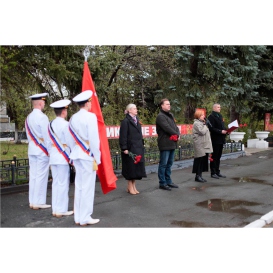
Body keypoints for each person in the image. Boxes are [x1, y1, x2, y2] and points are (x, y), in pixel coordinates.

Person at [68, 91, 101, 226]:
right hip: (87, 155)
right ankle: (85, 217)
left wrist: (74, 150)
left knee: (79, 186)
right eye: (90, 102)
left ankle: (78, 217)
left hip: (76, 153)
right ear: (87, 103)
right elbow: (94, 139)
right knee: (87, 187)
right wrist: (97, 157)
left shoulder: (73, 118)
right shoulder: (91, 117)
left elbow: (70, 139)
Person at [48, 99, 74, 218]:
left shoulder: (50, 124)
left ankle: (55, 208)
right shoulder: (66, 124)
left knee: (56, 183)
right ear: (64, 111)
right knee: (63, 183)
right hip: (63, 156)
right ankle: (61, 210)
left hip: (53, 156)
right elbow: (70, 141)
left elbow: (48, 142)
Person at [25, 92, 51, 210]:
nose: (44, 104)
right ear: (40, 103)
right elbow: (47, 137)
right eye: (44, 102)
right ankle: (39, 202)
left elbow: (29, 136)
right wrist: (49, 150)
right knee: (41, 175)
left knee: (33, 175)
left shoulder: (28, 117)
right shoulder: (43, 117)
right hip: (42, 150)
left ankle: (32, 201)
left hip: (32, 149)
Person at [119, 103, 147, 195]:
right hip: (130, 148)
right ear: (129, 110)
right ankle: (130, 186)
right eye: (134, 109)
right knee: (130, 167)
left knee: (135, 168)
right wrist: (124, 148)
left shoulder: (136, 120)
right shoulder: (125, 121)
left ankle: (133, 186)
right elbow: (123, 136)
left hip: (138, 147)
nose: (136, 110)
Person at [156, 98, 180, 190]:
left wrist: (178, 133)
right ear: (162, 106)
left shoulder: (170, 115)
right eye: (167, 104)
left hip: (172, 142)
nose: (169, 105)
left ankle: (168, 181)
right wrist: (176, 134)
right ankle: (162, 183)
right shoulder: (160, 116)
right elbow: (167, 128)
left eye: (169, 104)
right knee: (164, 163)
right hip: (165, 142)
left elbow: (175, 127)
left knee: (169, 163)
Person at [192, 109, 213, 182]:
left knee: (202, 160)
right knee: (199, 160)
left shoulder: (202, 123)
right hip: (199, 144)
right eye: (202, 115)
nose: (204, 116)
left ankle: (200, 175)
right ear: (198, 116)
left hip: (204, 144)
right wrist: (206, 125)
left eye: (204, 115)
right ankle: (197, 176)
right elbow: (202, 132)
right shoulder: (197, 123)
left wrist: (205, 124)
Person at [207, 103, 228, 179]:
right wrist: (220, 131)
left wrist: (227, 130)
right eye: (218, 107)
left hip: (221, 139)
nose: (220, 108)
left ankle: (217, 171)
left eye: (220, 107)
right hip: (215, 139)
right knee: (214, 156)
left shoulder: (220, 116)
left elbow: (222, 126)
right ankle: (213, 172)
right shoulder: (211, 117)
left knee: (219, 157)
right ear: (214, 108)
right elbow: (211, 128)